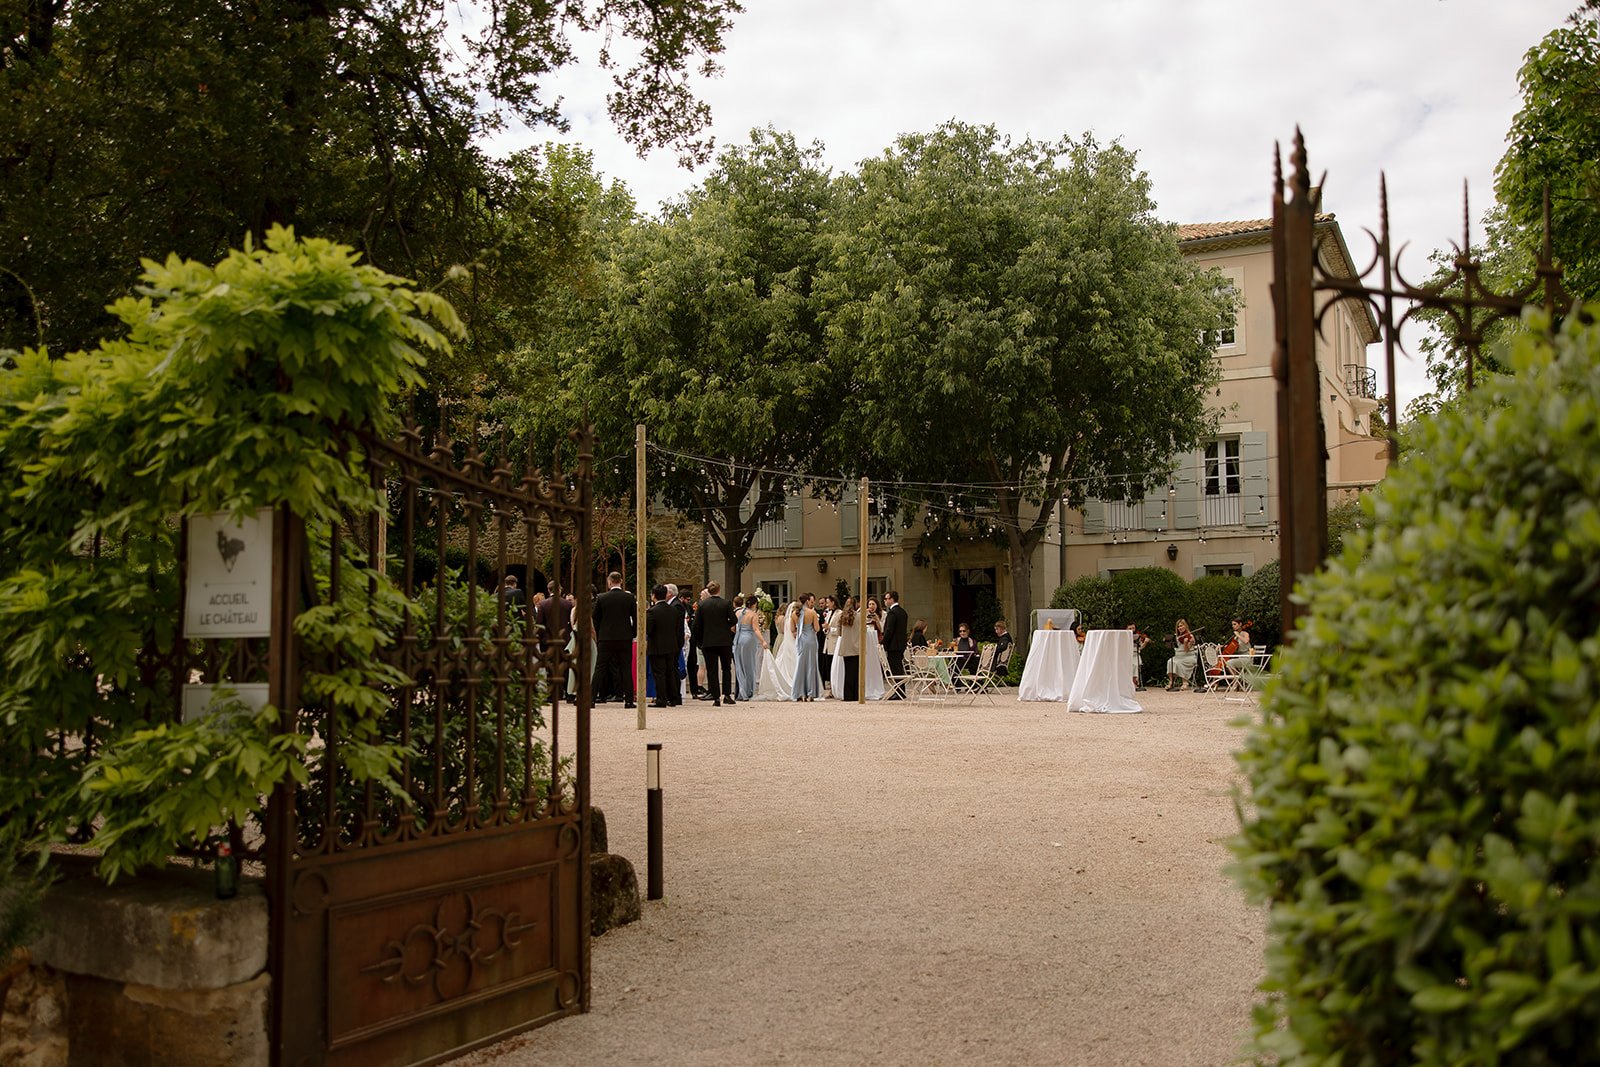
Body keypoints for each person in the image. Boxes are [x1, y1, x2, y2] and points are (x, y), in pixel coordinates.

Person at [591, 571, 636, 708]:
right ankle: (628, 700)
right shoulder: (629, 598)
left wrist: (600, 633)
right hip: (624, 637)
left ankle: (591, 699)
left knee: (600, 668)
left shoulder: (601, 597)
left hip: (606, 638)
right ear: (621, 581)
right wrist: (632, 633)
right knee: (625, 668)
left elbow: (595, 618)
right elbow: (635, 617)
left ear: (609, 582)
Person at [693, 581, 738, 706]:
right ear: (719, 590)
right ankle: (727, 695)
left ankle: (716, 696)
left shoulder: (702, 605)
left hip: (709, 640)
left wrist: (699, 640)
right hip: (724, 640)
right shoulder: (726, 603)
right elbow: (734, 619)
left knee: (712, 670)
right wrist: (725, 626)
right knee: (726, 668)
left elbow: (697, 625)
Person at [536, 581, 575, 703]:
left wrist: (539, 638)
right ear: (560, 590)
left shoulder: (543, 604)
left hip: (548, 640)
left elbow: (540, 624)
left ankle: (553, 693)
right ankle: (567, 693)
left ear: (549, 590)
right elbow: (571, 622)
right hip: (565, 639)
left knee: (550, 667)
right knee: (565, 666)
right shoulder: (568, 605)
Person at [645, 585, 681, 708]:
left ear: (654, 596)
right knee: (670, 672)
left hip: (657, 646)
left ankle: (661, 699)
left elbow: (649, 630)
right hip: (671, 645)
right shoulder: (673, 610)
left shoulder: (652, 611)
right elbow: (678, 629)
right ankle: (673, 698)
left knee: (659, 674)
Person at [732, 594, 766, 701]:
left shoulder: (737, 613)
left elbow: (733, 628)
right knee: (750, 665)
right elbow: (756, 629)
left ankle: (741, 691)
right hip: (749, 639)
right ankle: (748, 691)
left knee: (740, 666)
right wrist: (763, 641)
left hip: (738, 639)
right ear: (755, 604)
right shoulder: (753, 614)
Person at [788, 594, 822, 701]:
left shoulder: (794, 613)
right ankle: (811, 693)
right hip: (811, 640)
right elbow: (817, 629)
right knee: (811, 665)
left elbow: (792, 629)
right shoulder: (812, 612)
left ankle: (800, 692)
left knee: (801, 665)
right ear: (807, 601)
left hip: (801, 640)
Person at [881, 590, 909, 698]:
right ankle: (900, 691)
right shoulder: (903, 612)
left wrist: (883, 642)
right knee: (899, 668)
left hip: (893, 645)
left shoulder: (892, 613)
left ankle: (900, 692)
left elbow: (889, 630)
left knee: (896, 669)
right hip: (901, 645)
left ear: (892, 599)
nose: (885, 601)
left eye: (886, 598)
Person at [835, 596, 861, 701]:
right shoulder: (859, 616)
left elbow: (838, 633)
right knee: (856, 672)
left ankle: (848, 694)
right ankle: (856, 694)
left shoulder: (841, 616)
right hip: (856, 646)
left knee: (847, 672)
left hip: (846, 647)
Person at [1166, 618, 1199, 691]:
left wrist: (1186, 643)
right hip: (1178, 656)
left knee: (1179, 663)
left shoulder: (1190, 636)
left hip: (1188, 656)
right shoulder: (1176, 637)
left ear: (1185, 626)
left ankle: (1185, 682)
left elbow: (1186, 650)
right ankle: (1171, 682)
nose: (1180, 628)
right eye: (1178, 626)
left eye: (1181, 626)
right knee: (1170, 661)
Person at [816, 596, 835, 695]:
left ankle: (833, 687)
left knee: (832, 665)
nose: (826, 605)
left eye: (827, 603)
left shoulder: (838, 613)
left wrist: (829, 628)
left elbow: (838, 629)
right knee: (826, 665)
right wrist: (825, 628)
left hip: (833, 643)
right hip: (826, 642)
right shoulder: (828, 613)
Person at [1128, 624, 1151, 691]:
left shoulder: (1137, 637)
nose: (1132, 630)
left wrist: (1145, 643)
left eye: (1133, 628)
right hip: (1128, 655)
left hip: (1136, 655)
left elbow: (1140, 648)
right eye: (1130, 628)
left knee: (1135, 665)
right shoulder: (1125, 637)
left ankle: (1134, 683)